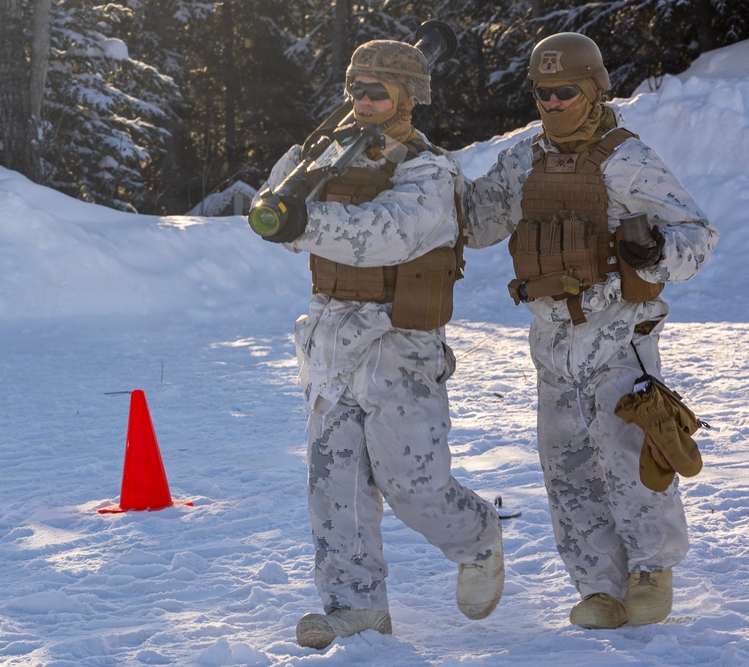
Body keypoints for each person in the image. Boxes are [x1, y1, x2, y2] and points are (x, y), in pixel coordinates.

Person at [251, 39, 504, 649]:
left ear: (407, 97)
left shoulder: (429, 170)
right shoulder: (319, 155)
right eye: (355, 89)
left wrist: (305, 221)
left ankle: (478, 538)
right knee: (333, 483)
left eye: (377, 91)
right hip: (331, 339)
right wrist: (292, 216)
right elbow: (275, 215)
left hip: (400, 346)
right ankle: (355, 607)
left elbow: (385, 235)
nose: (362, 102)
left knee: (414, 486)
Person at [464, 33, 719, 629]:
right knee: (568, 468)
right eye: (541, 93)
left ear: (594, 88)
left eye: (564, 91)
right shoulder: (522, 160)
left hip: (617, 335)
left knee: (633, 455)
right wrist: (421, 172)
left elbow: (698, 235)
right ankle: (598, 586)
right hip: (551, 342)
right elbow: (475, 222)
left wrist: (655, 251)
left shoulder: (627, 158)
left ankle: (651, 571)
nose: (551, 103)